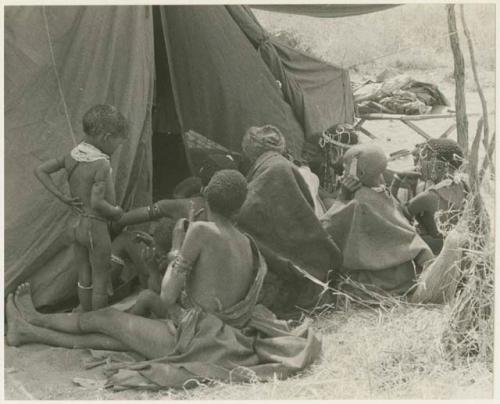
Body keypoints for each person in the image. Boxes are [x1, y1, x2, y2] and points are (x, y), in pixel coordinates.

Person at [6, 169, 321, 390]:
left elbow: (169, 296)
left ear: (207, 197)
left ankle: (33, 321)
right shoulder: (247, 243)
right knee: (115, 339)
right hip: (220, 335)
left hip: (195, 337)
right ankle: (27, 331)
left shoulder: (201, 231)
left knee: (103, 319)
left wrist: (175, 246)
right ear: (238, 206)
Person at [322, 143, 465, 303]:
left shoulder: (358, 201)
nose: (343, 173)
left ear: (360, 172)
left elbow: (326, 229)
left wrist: (342, 198)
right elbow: (401, 221)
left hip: (376, 281)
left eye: (345, 167)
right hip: (404, 274)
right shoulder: (382, 193)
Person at [237, 125, 342, 317]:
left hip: (296, 265)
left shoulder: (273, 170)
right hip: (306, 255)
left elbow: (245, 213)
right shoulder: (280, 165)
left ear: (250, 150)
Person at [34, 104, 128, 311]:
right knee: (101, 280)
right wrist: (116, 212)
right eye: (117, 144)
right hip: (95, 226)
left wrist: (61, 196)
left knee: (84, 275)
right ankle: (97, 323)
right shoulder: (101, 163)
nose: (117, 148)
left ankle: (83, 318)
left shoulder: (72, 156)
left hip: (76, 224)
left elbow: (40, 170)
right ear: (105, 137)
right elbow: (97, 203)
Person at [403, 138, 467, 254]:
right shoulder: (464, 186)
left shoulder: (428, 197)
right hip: (457, 250)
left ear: (438, 166)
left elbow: (397, 218)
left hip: (433, 252)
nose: (420, 164)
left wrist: (397, 182)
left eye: (425, 158)